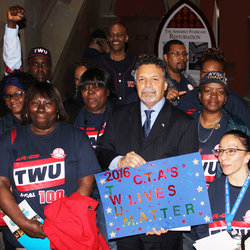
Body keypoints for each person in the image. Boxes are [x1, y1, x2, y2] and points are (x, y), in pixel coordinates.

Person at [98, 55, 199, 250]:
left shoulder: (184, 123)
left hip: (162, 229)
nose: (148, 85)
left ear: (165, 85)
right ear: (135, 84)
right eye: (142, 79)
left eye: (155, 79)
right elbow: (102, 152)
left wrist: (168, 218)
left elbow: (187, 178)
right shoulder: (118, 115)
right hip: (126, 220)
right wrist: (118, 161)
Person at [0, 82, 101, 248]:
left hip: (69, 233)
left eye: (48, 103)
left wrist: (62, 223)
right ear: (27, 107)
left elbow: (86, 184)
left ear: (58, 107)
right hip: (25, 239)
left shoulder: (76, 137)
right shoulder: (8, 139)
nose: (41, 108)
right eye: (35, 103)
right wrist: (24, 223)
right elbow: (1, 184)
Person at [191, 71, 249, 187]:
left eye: (220, 92)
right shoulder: (184, 124)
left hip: (223, 198)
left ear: (225, 98)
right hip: (191, 198)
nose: (214, 95)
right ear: (200, 95)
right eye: (208, 90)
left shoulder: (239, 128)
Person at [194, 130, 250, 243]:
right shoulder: (213, 189)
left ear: (247, 157)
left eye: (231, 151)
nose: (222, 157)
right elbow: (202, 230)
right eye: (220, 150)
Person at [177, 48, 250, 129]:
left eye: (215, 73)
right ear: (200, 74)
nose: (210, 77)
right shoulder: (188, 99)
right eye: (205, 73)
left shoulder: (237, 104)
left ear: (224, 75)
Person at [3, 5, 52, 82]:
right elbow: (12, 63)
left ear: (50, 68)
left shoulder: (53, 93)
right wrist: (11, 23)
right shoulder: (21, 88)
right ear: (28, 67)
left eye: (44, 65)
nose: (40, 69)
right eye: (35, 65)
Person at [95, 22, 138, 106]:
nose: (115, 38)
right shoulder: (98, 63)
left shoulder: (136, 63)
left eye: (119, 35)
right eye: (111, 35)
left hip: (131, 114)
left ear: (126, 38)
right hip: (107, 115)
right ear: (108, 38)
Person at [75, 67, 113, 149]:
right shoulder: (71, 116)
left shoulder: (120, 117)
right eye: (85, 87)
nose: (90, 91)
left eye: (96, 87)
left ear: (107, 91)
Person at [163, 39, 197, 105]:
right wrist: (167, 101)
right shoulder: (160, 83)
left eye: (184, 54)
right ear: (166, 57)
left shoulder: (189, 80)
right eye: (177, 54)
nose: (182, 57)